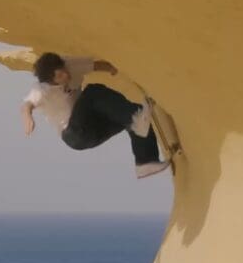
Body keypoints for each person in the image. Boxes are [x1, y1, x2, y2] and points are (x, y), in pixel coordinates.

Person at [20, 52, 170, 178]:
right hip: (74, 135)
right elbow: (27, 105)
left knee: (135, 115)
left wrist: (112, 68)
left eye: (64, 70)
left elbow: (95, 65)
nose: (66, 75)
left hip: (93, 128)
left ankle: (146, 162)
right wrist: (28, 117)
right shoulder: (41, 90)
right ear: (51, 80)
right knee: (92, 91)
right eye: (59, 76)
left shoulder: (70, 65)